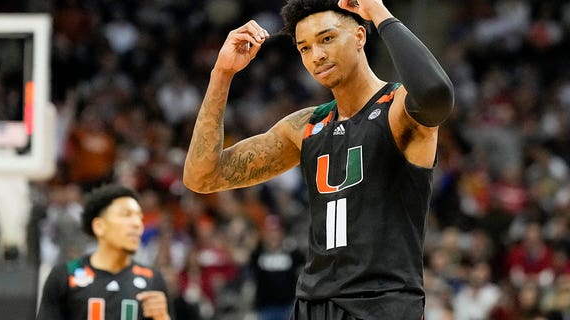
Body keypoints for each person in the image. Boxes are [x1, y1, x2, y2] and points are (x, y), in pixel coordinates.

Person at [183, 0, 454, 318]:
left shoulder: (399, 110)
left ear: (359, 36)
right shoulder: (305, 126)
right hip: (312, 304)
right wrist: (222, 73)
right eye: (305, 48)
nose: (317, 56)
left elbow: (436, 94)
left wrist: (378, 12)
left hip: (383, 303)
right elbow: (201, 176)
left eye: (327, 39)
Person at [36, 184, 174, 320]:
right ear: (99, 226)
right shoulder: (64, 276)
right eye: (126, 215)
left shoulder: (152, 279)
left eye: (139, 216)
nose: (137, 224)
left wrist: (163, 317)